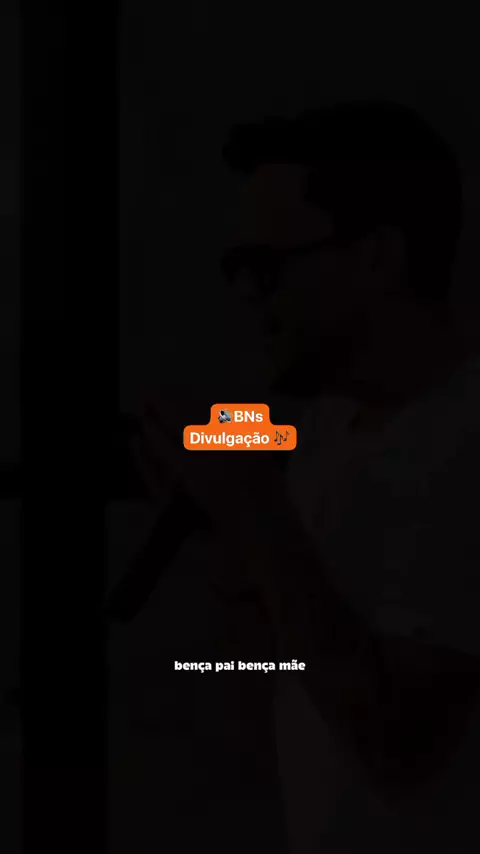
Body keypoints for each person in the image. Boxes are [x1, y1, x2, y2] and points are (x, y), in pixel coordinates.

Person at [134, 101, 480, 853]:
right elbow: (278, 696)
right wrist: (233, 563)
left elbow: (401, 746)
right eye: (235, 271)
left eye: (266, 268)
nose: (246, 295)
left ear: (379, 257)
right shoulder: (327, 433)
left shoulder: (465, 443)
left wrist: (259, 515)